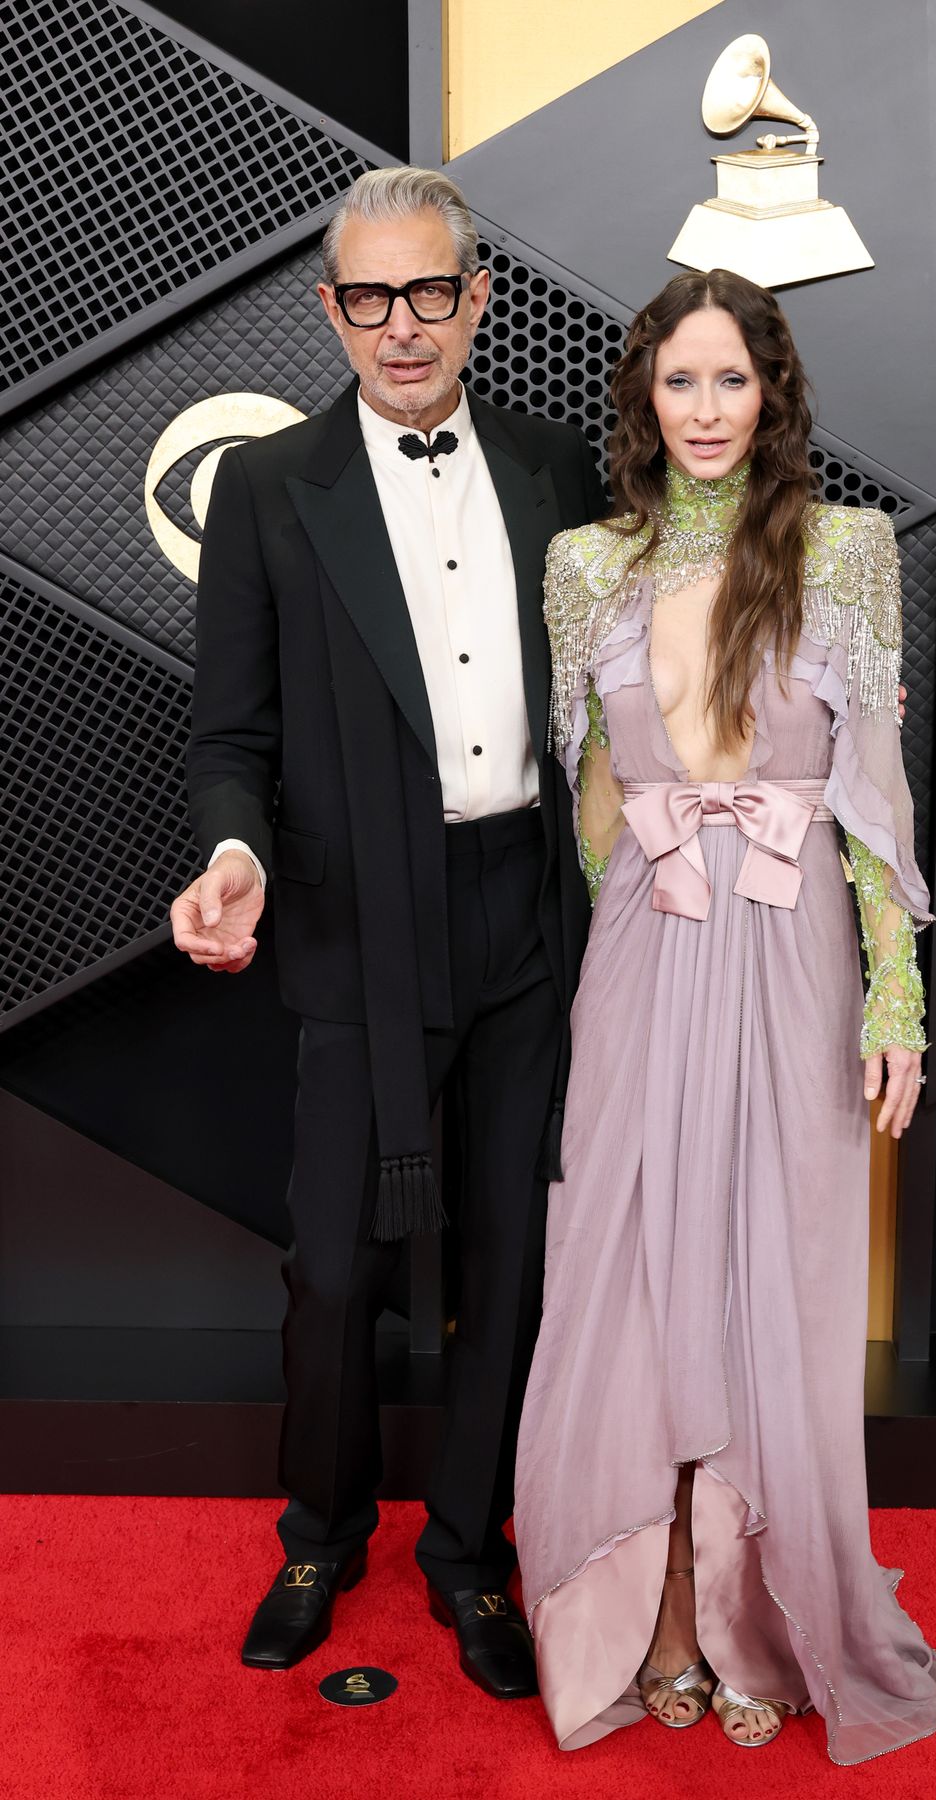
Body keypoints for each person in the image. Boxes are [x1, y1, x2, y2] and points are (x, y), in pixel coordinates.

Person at [513, 270, 936, 1760]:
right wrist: (636, 908)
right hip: (650, 947)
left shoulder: (844, 549)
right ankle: (657, 1614)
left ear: (772, 396)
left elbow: (871, 802)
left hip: (794, 947)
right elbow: (590, 802)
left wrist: (893, 994)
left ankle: (759, 1615)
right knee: (637, 1278)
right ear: (643, 399)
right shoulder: (585, 565)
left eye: (732, 382)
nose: (705, 412)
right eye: (678, 383)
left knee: (775, 1276)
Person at [169, 166, 605, 1695]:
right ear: (333, 308)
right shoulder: (273, 487)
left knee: (513, 1254)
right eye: (371, 296)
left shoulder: (561, 472)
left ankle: (471, 1555)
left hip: (525, 918)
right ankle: (321, 1534)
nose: (403, 326)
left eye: (432, 292)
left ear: (479, 298)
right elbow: (232, 731)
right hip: (357, 923)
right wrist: (233, 852)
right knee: (338, 1271)